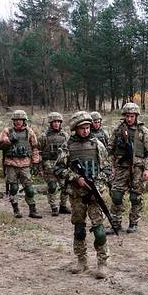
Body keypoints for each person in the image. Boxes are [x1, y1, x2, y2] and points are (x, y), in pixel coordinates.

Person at [54, 112, 111, 278]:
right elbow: (58, 169)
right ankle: (81, 260)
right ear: (75, 129)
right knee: (79, 229)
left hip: (95, 195)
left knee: (99, 231)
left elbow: (107, 169)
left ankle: (102, 263)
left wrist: (98, 189)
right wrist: (75, 177)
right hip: (77, 195)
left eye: (87, 127)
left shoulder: (97, 145)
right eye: (82, 128)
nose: (85, 131)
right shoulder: (68, 146)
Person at [108, 102, 148, 234]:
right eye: (127, 116)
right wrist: (112, 166)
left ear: (136, 116)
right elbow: (110, 149)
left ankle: (133, 223)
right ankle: (115, 224)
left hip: (138, 169)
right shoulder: (117, 130)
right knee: (116, 195)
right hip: (121, 168)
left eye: (132, 116)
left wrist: (146, 169)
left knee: (136, 197)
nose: (129, 119)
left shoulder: (143, 131)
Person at [0, 110, 42, 219]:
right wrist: (9, 141)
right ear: (13, 121)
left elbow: (35, 148)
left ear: (24, 121)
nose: (18, 122)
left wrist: (36, 162)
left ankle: (33, 210)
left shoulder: (29, 132)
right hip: (11, 164)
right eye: (16, 120)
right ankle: (16, 209)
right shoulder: (7, 131)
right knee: (13, 188)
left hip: (25, 164)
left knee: (29, 189)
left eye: (20, 120)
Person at [38, 112, 70, 216]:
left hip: (62, 165)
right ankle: (53, 207)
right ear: (50, 123)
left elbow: (69, 150)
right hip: (49, 166)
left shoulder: (65, 135)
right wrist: (39, 167)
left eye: (58, 122)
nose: (56, 124)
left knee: (65, 186)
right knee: (52, 186)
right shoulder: (44, 136)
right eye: (54, 122)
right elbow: (38, 152)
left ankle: (63, 206)